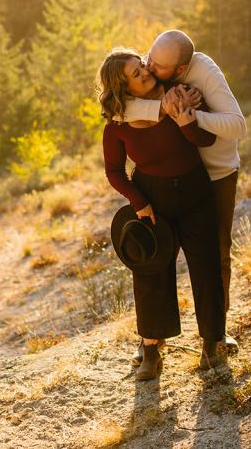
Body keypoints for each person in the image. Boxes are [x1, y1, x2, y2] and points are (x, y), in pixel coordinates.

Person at [98, 48, 226, 380]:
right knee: (151, 273)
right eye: (135, 73)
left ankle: (212, 345)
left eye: (141, 65)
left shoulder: (178, 95)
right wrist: (139, 201)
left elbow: (206, 138)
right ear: (123, 88)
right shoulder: (117, 125)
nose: (145, 71)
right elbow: (114, 171)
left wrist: (185, 121)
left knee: (206, 267)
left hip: (196, 192)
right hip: (153, 200)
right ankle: (152, 351)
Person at [120, 30, 245, 353]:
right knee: (157, 256)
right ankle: (152, 338)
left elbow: (238, 125)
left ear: (180, 69)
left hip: (215, 174)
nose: (149, 67)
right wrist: (164, 108)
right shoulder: (150, 72)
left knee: (216, 254)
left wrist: (189, 116)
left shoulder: (204, 71)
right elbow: (118, 109)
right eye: (149, 57)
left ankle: (217, 332)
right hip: (170, 178)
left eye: (158, 65)